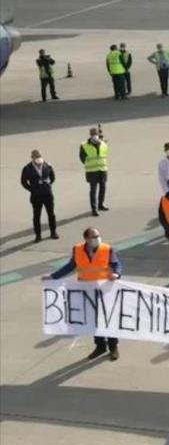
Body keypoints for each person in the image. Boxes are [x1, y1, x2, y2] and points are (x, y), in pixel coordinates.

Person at [43, 227, 122, 360]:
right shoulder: (78, 249)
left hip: (105, 290)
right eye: (94, 236)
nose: (97, 238)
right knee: (93, 320)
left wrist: (116, 273)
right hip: (86, 290)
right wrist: (53, 277)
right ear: (86, 239)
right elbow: (70, 266)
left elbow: (116, 264)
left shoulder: (107, 249)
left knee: (108, 319)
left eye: (98, 235)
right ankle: (100, 346)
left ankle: (113, 346)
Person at [21, 149, 58, 242]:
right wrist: (32, 189)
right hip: (36, 196)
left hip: (47, 194)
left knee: (51, 214)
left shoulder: (47, 165)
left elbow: (53, 177)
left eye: (39, 156)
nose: (38, 159)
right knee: (37, 216)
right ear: (32, 158)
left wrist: (48, 185)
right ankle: (38, 235)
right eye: (36, 157)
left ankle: (53, 232)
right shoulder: (27, 168)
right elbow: (23, 182)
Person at [80, 127, 109, 216]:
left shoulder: (103, 143)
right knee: (93, 190)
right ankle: (94, 208)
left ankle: (101, 204)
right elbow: (82, 157)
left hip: (102, 169)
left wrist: (102, 141)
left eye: (95, 135)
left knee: (103, 187)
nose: (94, 136)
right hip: (92, 170)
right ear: (90, 135)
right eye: (93, 135)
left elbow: (105, 154)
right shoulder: (84, 145)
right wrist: (88, 163)